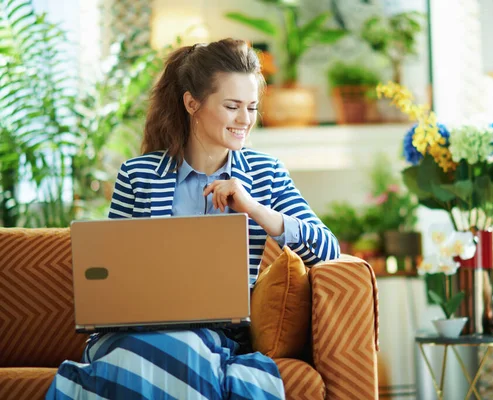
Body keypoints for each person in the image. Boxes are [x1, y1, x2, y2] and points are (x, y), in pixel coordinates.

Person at [45, 38, 340, 399]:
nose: (245, 120)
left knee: (178, 350)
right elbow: (111, 278)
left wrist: (254, 208)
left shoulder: (266, 173)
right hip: (133, 333)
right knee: (153, 351)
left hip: (217, 338)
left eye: (251, 107)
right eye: (232, 106)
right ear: (192, 103)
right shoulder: (138, 175)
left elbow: (328, 250)